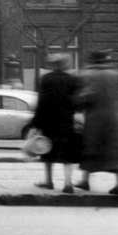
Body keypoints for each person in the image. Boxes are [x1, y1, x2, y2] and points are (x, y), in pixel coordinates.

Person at [27, 55, 83, 192]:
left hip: (49, 121)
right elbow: (77, 102)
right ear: (65, 65)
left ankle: (48, 181)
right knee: (67, 153)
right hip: (66, 120)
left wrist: (36, 123)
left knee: (47, 150)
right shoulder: (72, 80)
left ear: (53, 65)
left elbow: (41, 102)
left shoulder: (46, 78)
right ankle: (68, 184)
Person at [76, 50, 118, 196]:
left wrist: (77, 103)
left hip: (95, 118)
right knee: (113, 151)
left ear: (93, 61)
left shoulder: (87, 75)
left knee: (90, 149)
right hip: (114, 118)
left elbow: (84, 97)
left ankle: (85, 181)